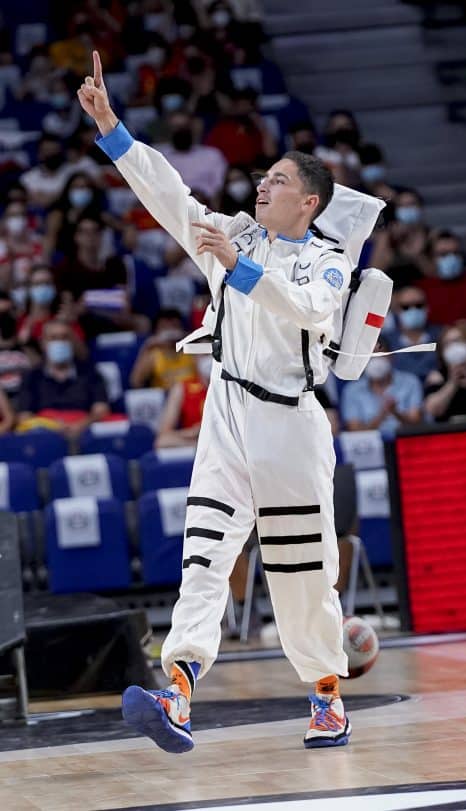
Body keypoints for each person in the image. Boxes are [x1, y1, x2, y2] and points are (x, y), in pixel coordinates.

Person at [79, 50, 372, 752]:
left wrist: (240, 269)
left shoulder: (327, 260)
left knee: (302, 573)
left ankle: (327, 696)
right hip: (226, 411)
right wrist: (114, 131)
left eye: (277, 181)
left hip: (290, 425)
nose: (261, 185)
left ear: (309, 201)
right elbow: (172, 197)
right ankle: (177, 691)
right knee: (204, 554)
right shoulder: (233, 233)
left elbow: (307, 308)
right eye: (262, 177)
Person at [15, 319, 110, 439]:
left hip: (84, 434)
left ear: (72, 342)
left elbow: (101, 410)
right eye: (53, 338)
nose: (59, 342)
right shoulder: (31, 377)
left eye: (65, 337)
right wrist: (53, 427)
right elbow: (24, 416)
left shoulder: (90, 372)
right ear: (43, 343)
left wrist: (81, 425)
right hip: (45, 437)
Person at [340, 354, 423, 439]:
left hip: (404, 441)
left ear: (391, 357)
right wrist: (382, 415)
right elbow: (355, 430)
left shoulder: (410, 382)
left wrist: (395, 412)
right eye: (371, 355)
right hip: (370, 445)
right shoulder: (352, 389)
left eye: (381, 355)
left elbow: (415, 423)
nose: (376, 360)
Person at [129, 308, 197, 390]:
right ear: (157, 331)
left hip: (190, 396)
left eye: (174, 326)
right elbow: (135, 382)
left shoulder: (192, 352)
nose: (170, 332)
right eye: (165, 328)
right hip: (163, 398)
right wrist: (147, 346)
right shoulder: (153, 355)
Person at [156, 354, 212, 449]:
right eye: (204, 355)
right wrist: (192, 433)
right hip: (194, 441)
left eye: (212, 354)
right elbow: (162, 438)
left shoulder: (234, 387)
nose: (210, 359)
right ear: (194, 358)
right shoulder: (181, 388)